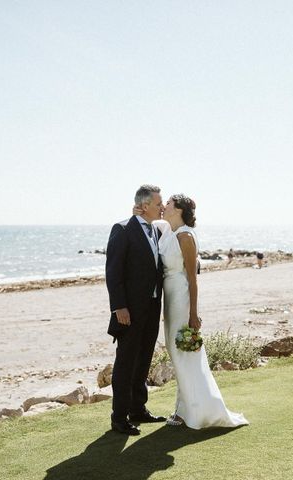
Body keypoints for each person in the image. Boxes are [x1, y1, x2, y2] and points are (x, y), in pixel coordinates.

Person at [138, 194, 248, 429]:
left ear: (177, 210)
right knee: (176, 351)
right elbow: (149, 223)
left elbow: (192, 278)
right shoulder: (168, 230)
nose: (164, 207)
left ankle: (195, 410)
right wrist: (139, 211)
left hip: (181, 297)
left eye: (167, 204)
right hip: (169, 296)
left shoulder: (186, 236)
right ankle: (184, 409)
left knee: (183, 352)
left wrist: (193, 314)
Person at [105, 184, 167, 436]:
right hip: (128, 310)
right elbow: (113, 271)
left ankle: (138, 409)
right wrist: (119, 306)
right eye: (158, 204)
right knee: (125, 363)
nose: (162, 207)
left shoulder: (156, 230)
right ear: (143, 206)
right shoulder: (122, 230)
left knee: (143, 360)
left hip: (152, 306)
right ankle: (119, 418)